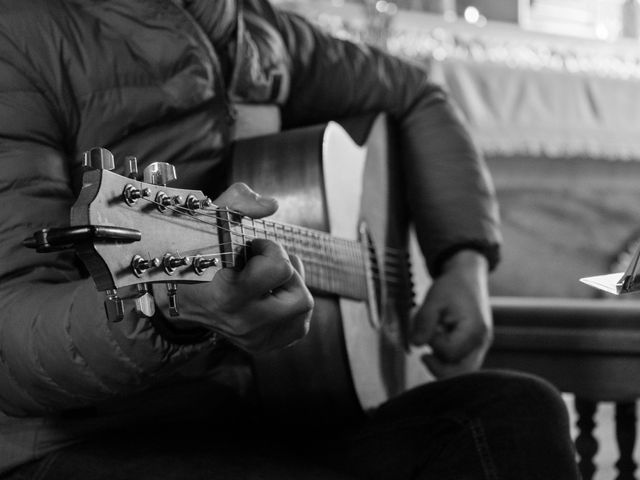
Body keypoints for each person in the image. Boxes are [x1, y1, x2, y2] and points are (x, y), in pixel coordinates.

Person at [0, 0, 579, 479]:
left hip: (262, 406)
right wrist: (169, 311)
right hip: (88, 435)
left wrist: (462, 261)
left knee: (514, 413)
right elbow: (11, 331)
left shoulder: (256, 30)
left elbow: (418, 98)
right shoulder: (22, 35)